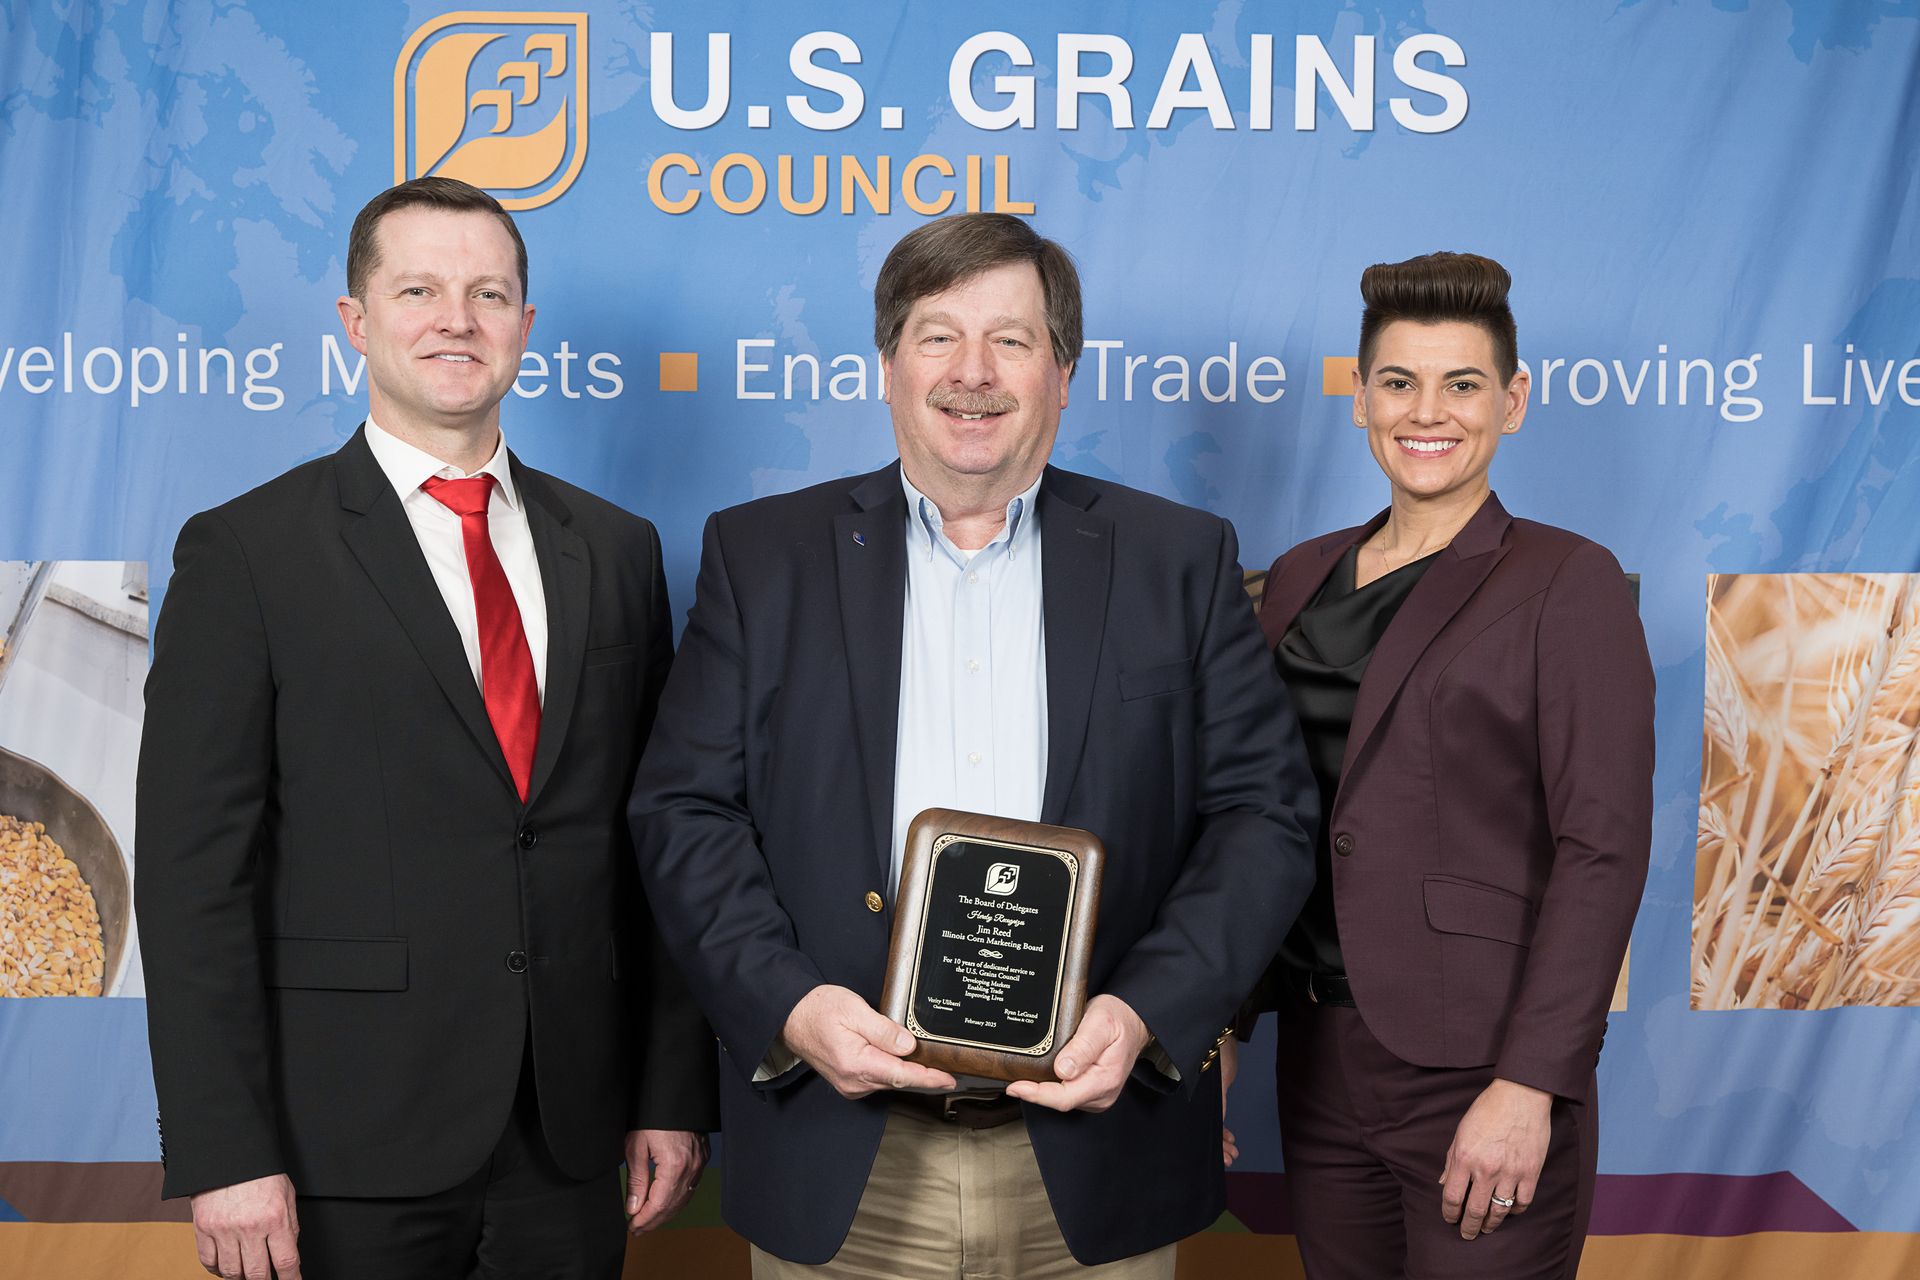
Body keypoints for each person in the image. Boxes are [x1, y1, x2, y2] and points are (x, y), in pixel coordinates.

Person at [628, 212, 1318, 1277]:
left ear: (1064, 371)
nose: (974, 373)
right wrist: (791, 1007)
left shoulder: (1179, 560)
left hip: (1098, 1154)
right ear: (889, 365)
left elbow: (1263, 816)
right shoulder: (762, 559)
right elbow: (684, 812)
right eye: (939, 335)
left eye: (1012, 339)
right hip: (840, 1155)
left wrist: (1144, 1016)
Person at [136, 177, 716, 1280]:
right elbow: (189, 875)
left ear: (525, 328)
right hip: (337, 1147)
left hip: (575, 1137)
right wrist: (226, 1150)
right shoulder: (246, 554)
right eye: (419, 289)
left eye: (488, 293)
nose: (458, 318)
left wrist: (668, 1091)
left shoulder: (619, 548)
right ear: (356, 322)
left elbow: (660, 846)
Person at [1232, 251, 1653, 1278]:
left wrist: (1531, 1083)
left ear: (1511, 401)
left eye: (1462, 384)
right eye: (1399, 382)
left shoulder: (1568, 578)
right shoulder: (1297, 575)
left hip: (1481, 1063)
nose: (1429, 411)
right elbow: (1256, 812)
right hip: (1319, 1057)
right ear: (1361, 397)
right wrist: (1222, 1026)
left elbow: (1602, 848)